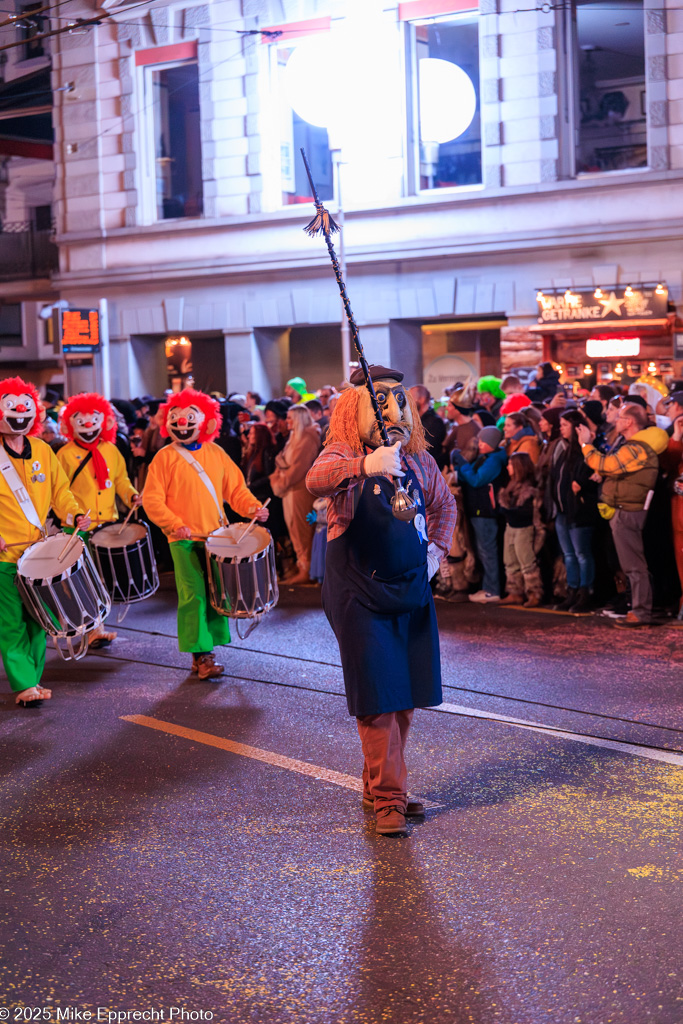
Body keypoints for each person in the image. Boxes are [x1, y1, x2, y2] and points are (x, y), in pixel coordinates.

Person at [306, 364, 456, 837]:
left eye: (398, 402)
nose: (391, 411)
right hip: (356, 588)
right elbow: (316, 478)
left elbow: (444, 504)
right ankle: (390, 799)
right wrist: (362, 466)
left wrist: (437, 550)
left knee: (405, 693)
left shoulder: (417, 460)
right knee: (379, 697)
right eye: (380, 403)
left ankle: (378, 785)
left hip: (410, 583)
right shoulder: (344, 449)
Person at [143, 388, 269, 679]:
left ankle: (206, 650)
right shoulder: (163, 457)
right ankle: (202, 656)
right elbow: (152, 499)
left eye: (189, 417)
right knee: (193, 597)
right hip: (183, 540)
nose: (182, 422)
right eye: (176, 417)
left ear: (205, 422)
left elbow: (235, 489)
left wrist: (253, 508)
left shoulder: (216, 452)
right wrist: (173, 524)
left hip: (216, 539)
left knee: (216, 595)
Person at [0, 376, 91, 707]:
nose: (19, 411)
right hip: (4, 556)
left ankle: (33, 680)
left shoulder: (41, 449)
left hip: (36, 554)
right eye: (10, 405)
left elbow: (60, 492)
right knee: (10, 623)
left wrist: (75, 515)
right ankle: (24, 684)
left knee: (38, 621)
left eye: (25, 405)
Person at [57, 393, 143, 647]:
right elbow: (57, 492)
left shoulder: (111, 450)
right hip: (78, 529)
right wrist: (72, 517)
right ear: (70, 425)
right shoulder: (63, 454)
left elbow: (121, 481)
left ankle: (93, 627)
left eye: (93, 420)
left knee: (101, 580)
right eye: (80, 421)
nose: (87, 426)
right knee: (84, 581)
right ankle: (93, 629)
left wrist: (132, 496)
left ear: (103, 422)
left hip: (108, 526)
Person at [578, 402, 668, 627]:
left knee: (634, 565)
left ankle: (640, 612)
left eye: (619, 418)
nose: (615, 422)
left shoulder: (637, 449)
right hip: (624, 510)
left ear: (629, 422)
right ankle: (638, 609)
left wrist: (586, 445)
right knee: (632, 564)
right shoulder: (633, 447)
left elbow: (606, 464)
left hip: (628, 511)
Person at [548, 409, 600, 613]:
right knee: (569, 554)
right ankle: (572, 590)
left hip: (578, 510)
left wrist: (582, 486)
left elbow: (587, 479)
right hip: (563, 510)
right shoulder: (566, 449)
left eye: (564, 424)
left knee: (581, 553)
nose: (560, 428)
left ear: (577, 427)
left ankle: (585, 592)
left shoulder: (586, 451)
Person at [451, 425, 508, 603]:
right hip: (478, 509)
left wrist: (463, 465)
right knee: (483, 550)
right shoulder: (487, 457)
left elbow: (477, 480)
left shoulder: (494, 460)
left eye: (484, 441)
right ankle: (487, 587)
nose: (480, 444)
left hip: (485, 511)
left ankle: (492, 590)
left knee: (487, 551)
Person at [269, 404, 320, 584]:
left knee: (302, 530)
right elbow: (283, 462)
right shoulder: (295, 437)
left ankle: (306, 570)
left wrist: (279, 483)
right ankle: (302, 568)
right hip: (290, 490)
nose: (287, 421)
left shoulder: (307, 438)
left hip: (300, 491)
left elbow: (298, 468)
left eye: (290, 418)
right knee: (294, 529)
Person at [498, 451, 543, 607]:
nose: (508, 467)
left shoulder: (529, 488)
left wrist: (508, 511)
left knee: (527, 562)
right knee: (510, 561)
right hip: (511, 526)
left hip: (524, 528)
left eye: (511, 464)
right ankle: (515, 592)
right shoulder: (511, 486)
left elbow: (527, 512)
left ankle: (534, 593)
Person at [408, 385, 447, 469]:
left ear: (422, 400)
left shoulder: (435, 422)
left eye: (411, 399)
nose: (408, 403)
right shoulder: (416, 419)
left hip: (430, 470)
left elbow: (424, 449)